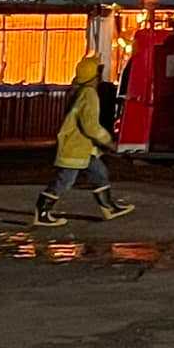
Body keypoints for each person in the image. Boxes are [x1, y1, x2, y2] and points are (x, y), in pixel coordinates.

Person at [34, 53, 135, 226]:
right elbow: (90, 126)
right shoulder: (89, 94)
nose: (101, 75)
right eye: (99, 71)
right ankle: (42, 211)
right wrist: (108, 141)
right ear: (93, 75)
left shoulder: (82, 92)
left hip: (83, 148)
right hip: (76, 147)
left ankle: (108, 207)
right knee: (65, 180)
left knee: (100, 173)